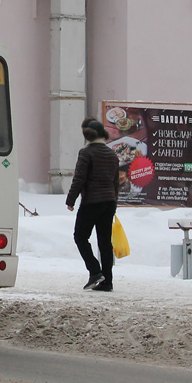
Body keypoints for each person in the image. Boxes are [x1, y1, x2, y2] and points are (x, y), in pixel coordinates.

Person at [66, 119, 120, 291]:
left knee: (80, 237)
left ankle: (95, 271)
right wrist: (114, 202)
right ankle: (107, 281)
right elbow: (115, 182)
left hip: (92, 202)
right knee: (105, 242)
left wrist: (71, 200)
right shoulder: (112, 154)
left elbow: (79, 178)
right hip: (109, 202)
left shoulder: (86, 153)